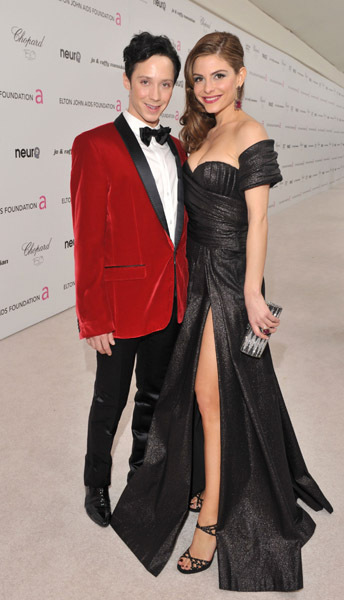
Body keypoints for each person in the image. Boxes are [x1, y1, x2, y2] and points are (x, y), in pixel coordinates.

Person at [111, 31, 333, 591]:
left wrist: (254, 292)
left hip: (230, 279)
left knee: (213, 395)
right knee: (201, 391)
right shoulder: (201, 130)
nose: (207, 88)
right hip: (196, 275)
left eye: (218, 76)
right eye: (199, 78)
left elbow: (259, 221)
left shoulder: (251, 132)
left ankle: (210, 522)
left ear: (240, 76)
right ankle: (207, 478)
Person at [70, 32, 190, 528]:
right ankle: (96, 483)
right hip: (118, 309)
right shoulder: (93, 146)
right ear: (126, 80)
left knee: (155, 399)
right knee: (109, 402)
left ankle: (143, 474)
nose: (155, 95)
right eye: (145, 82)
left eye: (165, 84)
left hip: (169, 302)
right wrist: (92, 316)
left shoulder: (179, 148)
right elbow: (88, 239)